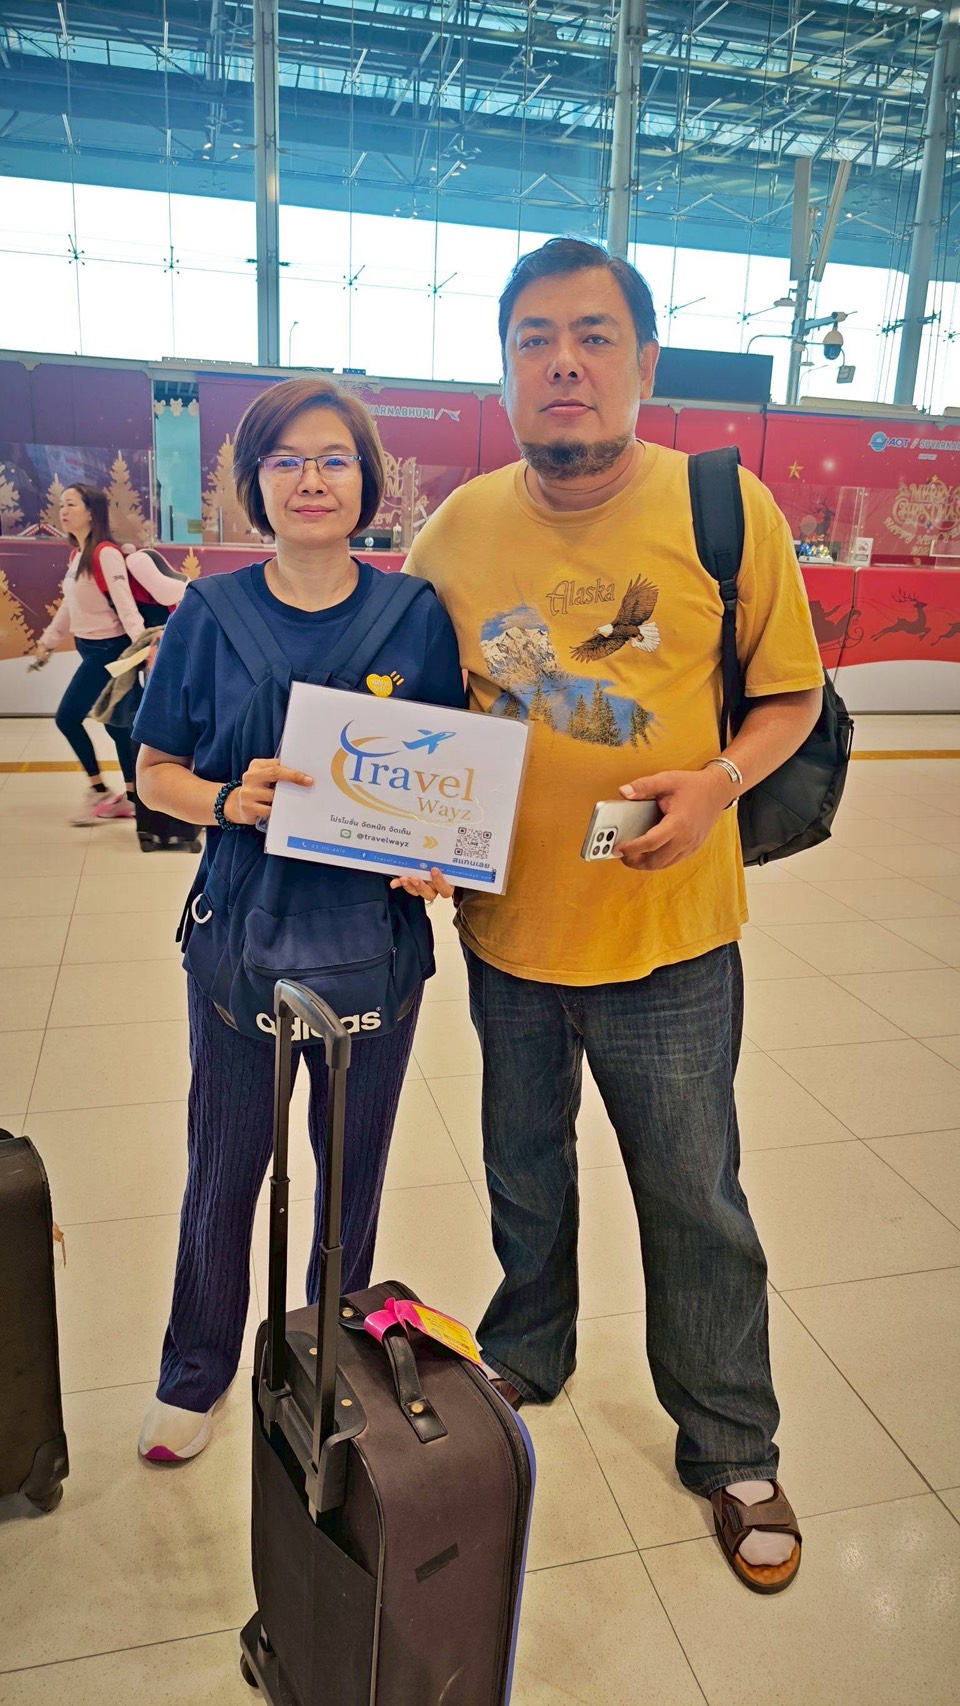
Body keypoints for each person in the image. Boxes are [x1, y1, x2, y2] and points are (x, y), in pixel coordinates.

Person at [405, 238, 824, 1595]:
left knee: (694, 1194)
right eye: (534, 339)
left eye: (593, 336)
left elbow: (791, 695)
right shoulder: (454, 532)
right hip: (509, 935)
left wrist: (719, 784)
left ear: (644, 361)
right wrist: (409, 835)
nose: (564, 362)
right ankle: (529, 1349)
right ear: (505, 370)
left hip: (671, 935)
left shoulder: (722, 506)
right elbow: (420, 718)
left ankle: (732, 1440)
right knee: (524, 1164)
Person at [132, 377, 464, 1464]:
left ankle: (331, 1357)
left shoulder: (414, 615)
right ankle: (195, 1370)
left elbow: (447, 778)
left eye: (334, 458)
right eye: (286, 460)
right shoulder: (209, 614)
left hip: (376, 949)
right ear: (255, 482)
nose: (311, 479)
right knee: (224, 1167)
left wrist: (435, 854)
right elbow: (154, 771)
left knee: (350, 1175)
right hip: (241, 943)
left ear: (368, 481)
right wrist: (229, 799)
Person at [31, 484, 144, 824]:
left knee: (67, 718)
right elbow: (70, 606)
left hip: (110, 652)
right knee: (118, 726)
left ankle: (99, 790)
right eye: (61, 505)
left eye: (71, 504)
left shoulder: (105, 554)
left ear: (92, 512)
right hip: (90, 649)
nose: (63, 511)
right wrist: (48, 641)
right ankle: (132, 798)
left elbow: (126, 607)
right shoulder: (77, 556)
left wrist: (146, 649)